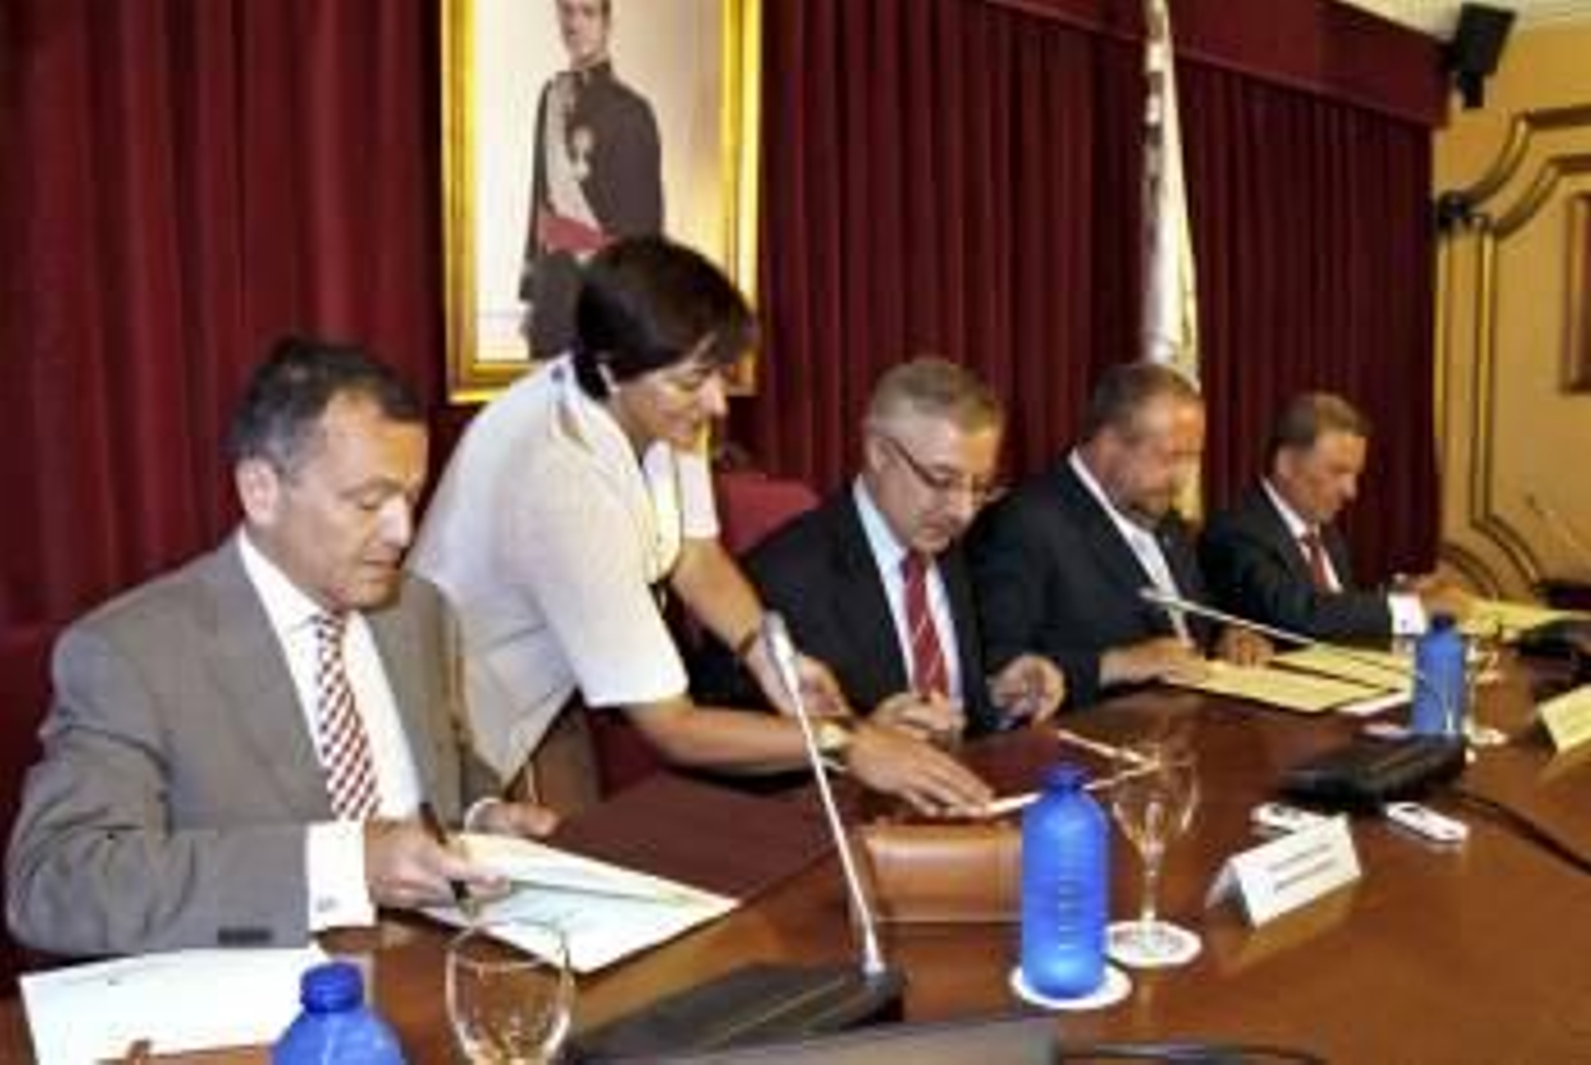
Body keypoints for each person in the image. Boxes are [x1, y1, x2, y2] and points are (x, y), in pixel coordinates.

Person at [6, 338, 555, 958]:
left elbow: (446, 756)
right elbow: (56, 883)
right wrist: (343, 866)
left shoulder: (418, 609)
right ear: (260, 491)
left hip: (431, 970)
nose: (402, 532)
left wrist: (480, 816)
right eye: (369, 502)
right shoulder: (131, 654)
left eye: (411, 496)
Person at [411, 236, 991, 816]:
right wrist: (849, 742)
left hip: (541, 695)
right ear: (612, 369)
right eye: (693, 381)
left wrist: (768, 656)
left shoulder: (659, 404)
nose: (716, 403)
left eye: (717, 373)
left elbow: (696, 556)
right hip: (450, 713)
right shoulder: (559, 482)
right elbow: (672, 728)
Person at [695, 358, 1065, 739]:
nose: (963, 511)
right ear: (879, 453)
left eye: (980, 486)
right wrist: (861, 741)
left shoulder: (953, 546)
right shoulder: (780, 579)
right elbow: (721, 752)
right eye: (941, 480)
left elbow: (953, 710)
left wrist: (996, 699)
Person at [969, 362, 1272, 708]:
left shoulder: (1163, 514)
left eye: (1193, 459)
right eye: (1170, 457)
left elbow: (1189, 619)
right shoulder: (1025, 523)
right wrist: (1113, 665)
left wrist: (1227, 636)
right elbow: (997, 665)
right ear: (1109, 444)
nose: (1182, 479)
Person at [1199, 391, 1473, 642]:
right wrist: (1413, 610)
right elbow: (1300, 615)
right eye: (1338, 472)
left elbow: (1338, 608)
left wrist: (1395, 594)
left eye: (1355, 475)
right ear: (1286, 464)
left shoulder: (1321, 528)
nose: (1351, 491)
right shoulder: (1237, 531)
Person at [522, 0, 664, 357]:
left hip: (600, 299)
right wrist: (530, 292)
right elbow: (539, 197)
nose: (575, 24)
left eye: (587, 12)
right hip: (551, 297)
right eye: (566, 11)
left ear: (607, 22)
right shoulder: (550, 96)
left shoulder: (631, 111)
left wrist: (630, 312)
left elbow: (644, 228)